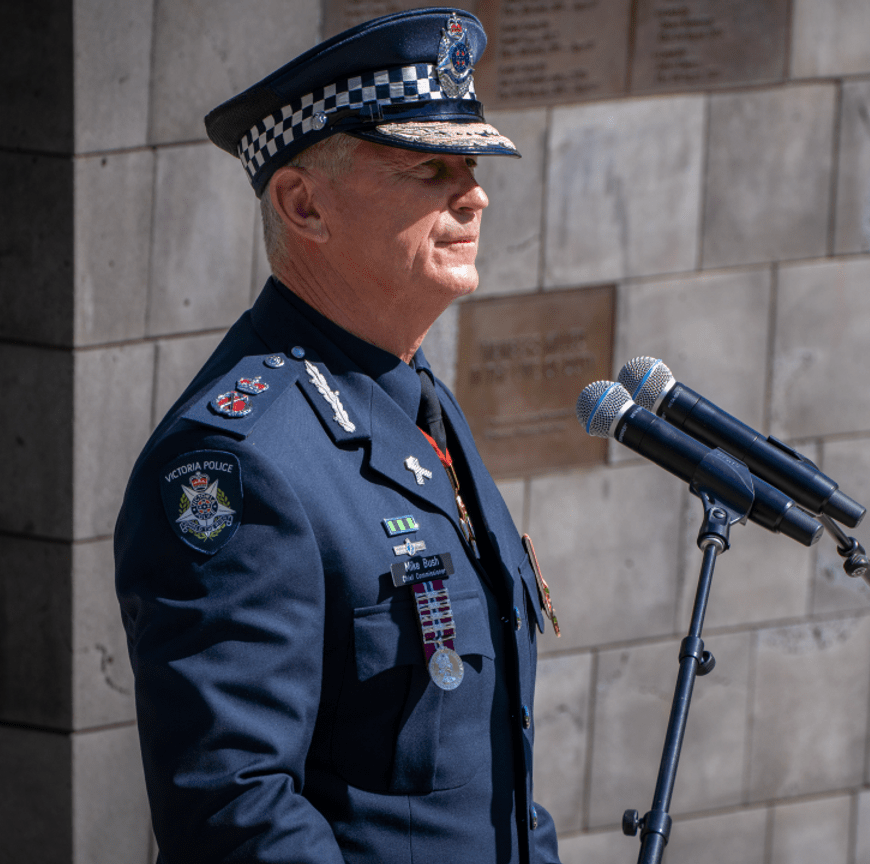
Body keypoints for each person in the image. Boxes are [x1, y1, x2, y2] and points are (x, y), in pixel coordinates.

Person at [114, 9, 561, 863]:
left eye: (470, 165)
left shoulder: (411, 396)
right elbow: (235, 811)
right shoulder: (237, 463)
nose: (474, 195)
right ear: (305, 204)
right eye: (428, 167)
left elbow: (493, 768)